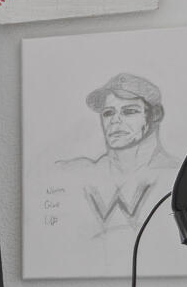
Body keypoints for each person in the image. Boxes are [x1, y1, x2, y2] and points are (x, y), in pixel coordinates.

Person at [49, 72, 174, 239]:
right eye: (108, 113)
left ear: (155, 114)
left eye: (129, 111)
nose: (115, 120)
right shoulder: (75, 174)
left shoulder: (175, 175)